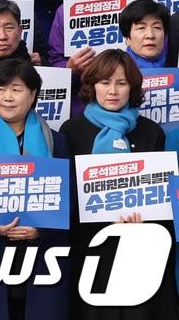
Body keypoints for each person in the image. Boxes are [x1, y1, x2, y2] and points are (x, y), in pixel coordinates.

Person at [60, 48, 177, 320]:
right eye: (104, 82)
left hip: (141, 247)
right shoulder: (71, 130)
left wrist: (146, 218)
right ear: (92, 86)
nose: (112, 90)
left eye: (121, 83)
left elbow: (164, 195)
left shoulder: (151, 131)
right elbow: (68, 194)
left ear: (132, 88)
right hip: (92, 246)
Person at [0, 57, 71, 320]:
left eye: (16, 89)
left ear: (32, 95)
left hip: (41, 254)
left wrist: (40, 229)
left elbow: (68, 197)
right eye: (0, 89)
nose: (7, 97)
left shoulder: (56, 140)